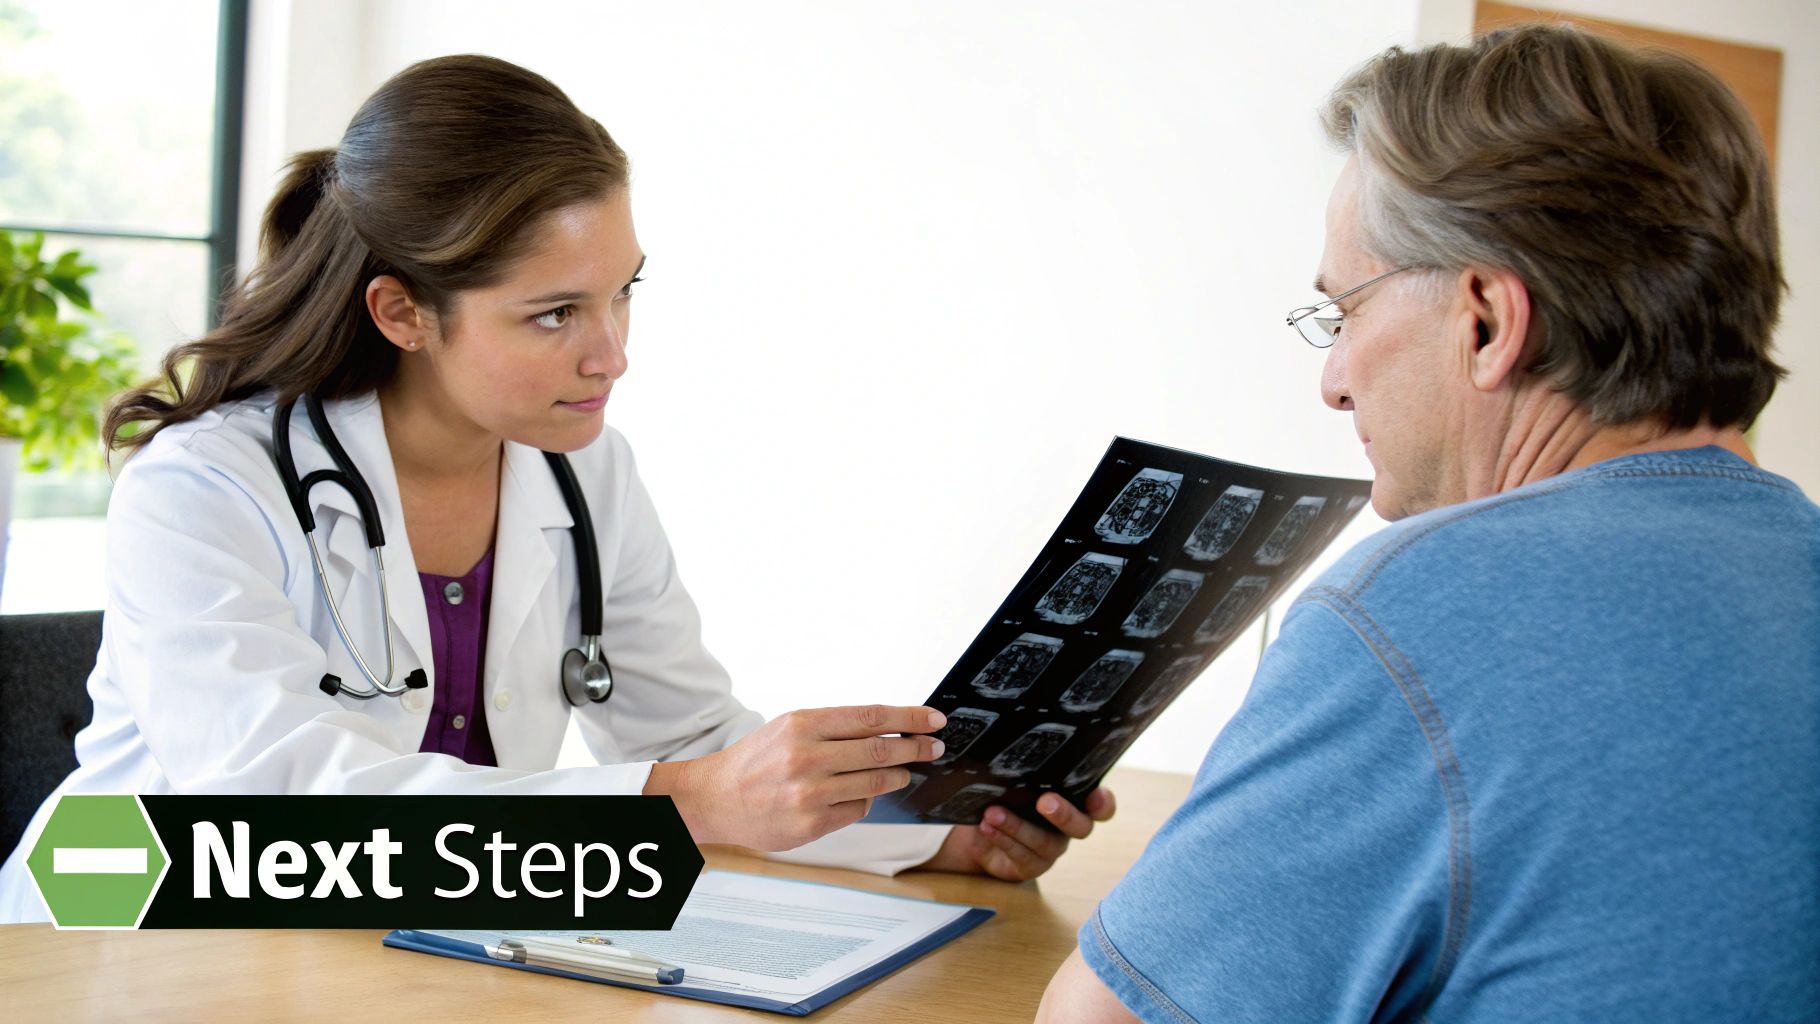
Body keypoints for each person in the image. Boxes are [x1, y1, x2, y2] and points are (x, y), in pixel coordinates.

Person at [0, 54, 1114, 921]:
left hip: (412, 944)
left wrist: (915, 828)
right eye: (554, 314)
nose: (611, 353)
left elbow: (697, 738)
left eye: (622, 293)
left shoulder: (585, 474)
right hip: (123, 928)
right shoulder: (205, 489)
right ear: (401, 313)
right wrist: (678, 801)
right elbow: (275, 812)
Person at [1039, 24, 1817, 1022]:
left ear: (1485, 318)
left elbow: (1097, 1019)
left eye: (1344, 313)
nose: (1331, 381)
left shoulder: (1418, 605)